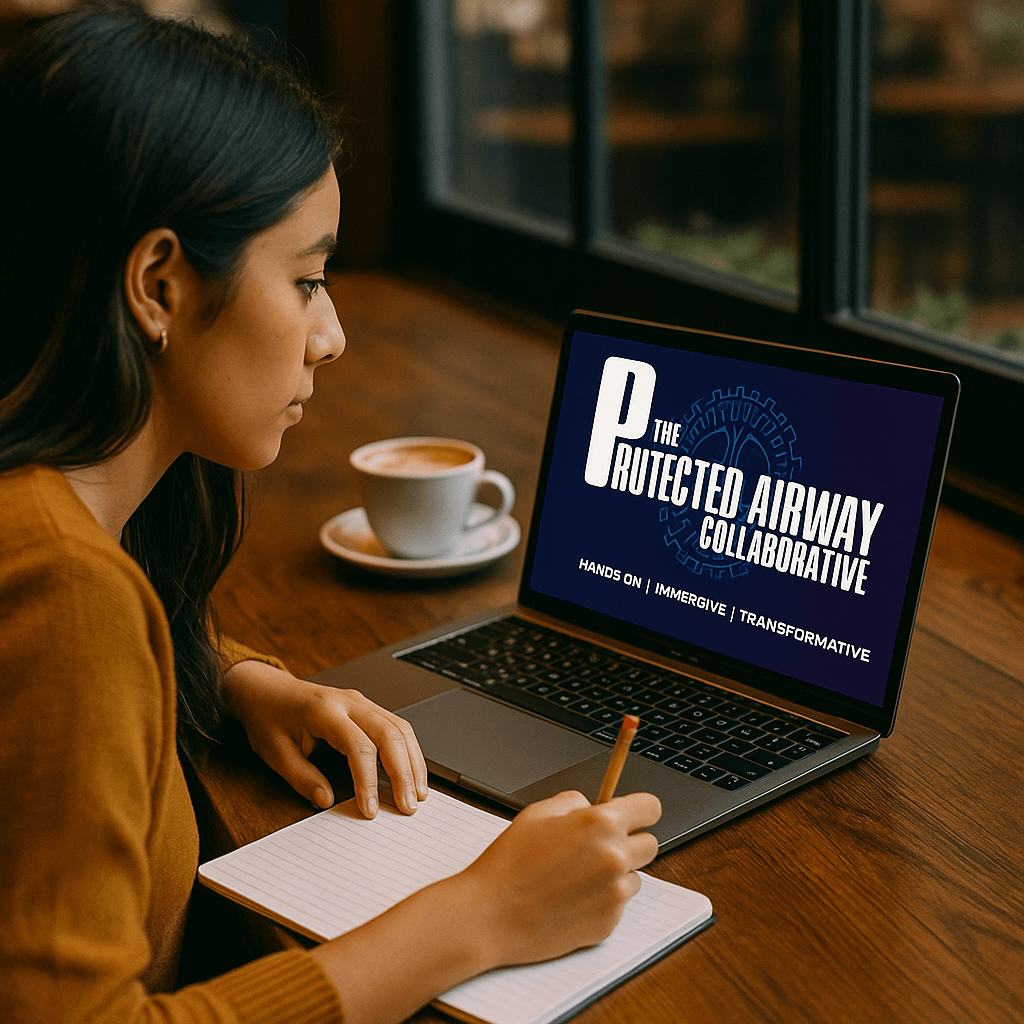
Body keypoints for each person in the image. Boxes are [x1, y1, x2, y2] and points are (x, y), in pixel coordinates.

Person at [0, 4, 663, 1023]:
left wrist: (229, 677)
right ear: (160, 284)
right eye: (306, 279)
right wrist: (478, 915)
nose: (332, 335)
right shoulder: (67, 593)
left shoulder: (54, 529)